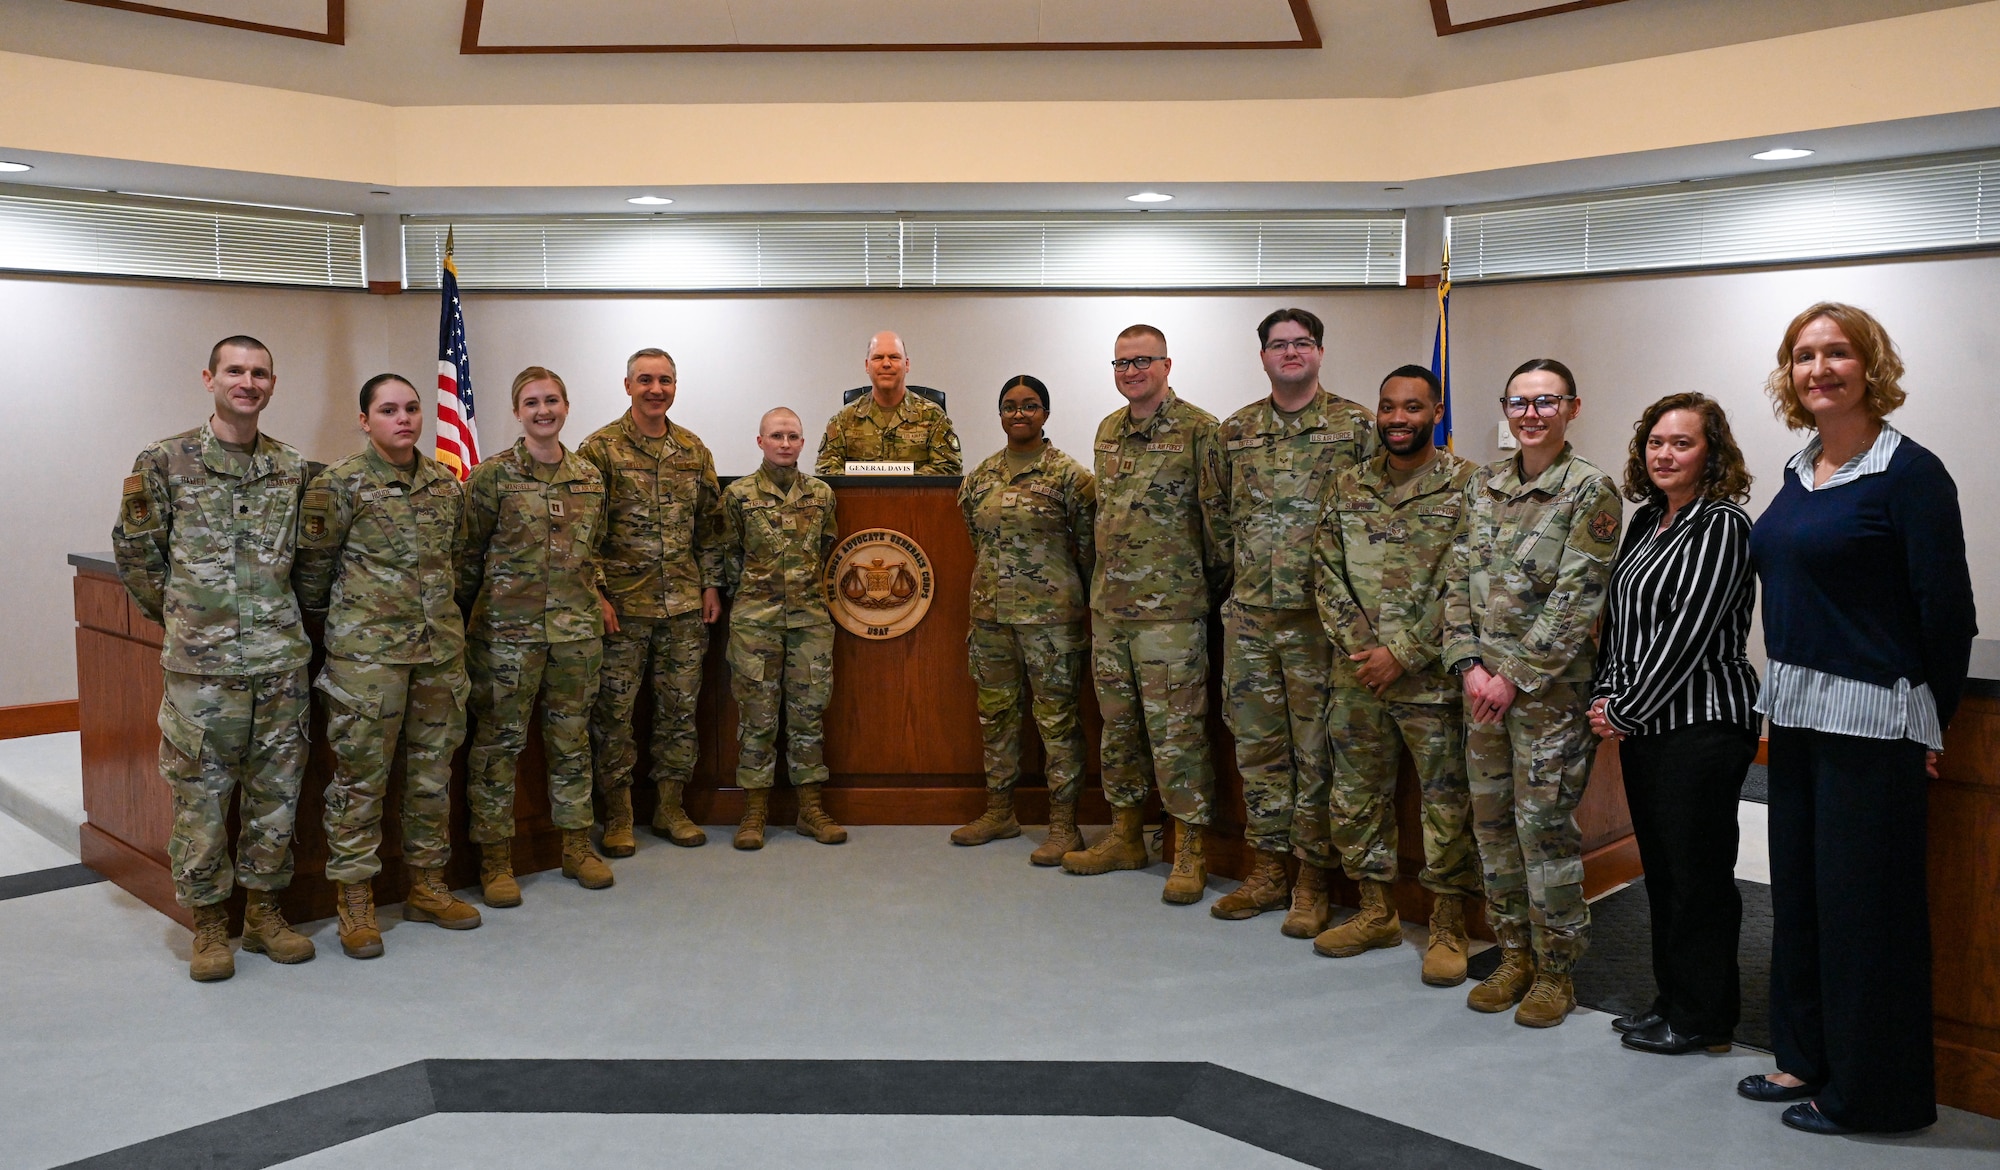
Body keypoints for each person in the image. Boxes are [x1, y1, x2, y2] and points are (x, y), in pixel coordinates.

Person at [1742, 303, 1976, 1136]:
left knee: (1865, 917)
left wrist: (1930, 724)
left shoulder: (1911, 474)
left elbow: (1947, 614)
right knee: (1800, 898)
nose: (1820, 369)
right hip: (1798, 713)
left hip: (1876, 724)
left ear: (1870, 366)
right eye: (1804, 356)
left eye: (1838, 353)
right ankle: (1806, 1057)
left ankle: (1875, 1095)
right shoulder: (1799, 469)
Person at [114, 336, 318, 981]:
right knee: (200, 801)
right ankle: (209, 925)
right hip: (202, 673)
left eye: (260, 372)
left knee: (277, 796)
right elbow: (138, 558)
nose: (248, 382)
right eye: (235, 371)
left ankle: (264, 915)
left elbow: (309, 566)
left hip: (280, 665)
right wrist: (188, 621)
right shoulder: (164, 462)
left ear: (272, 384)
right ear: (209, 378)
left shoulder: (292, 468)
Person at [1443, 358, 1622, 1027]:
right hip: (1480, 693)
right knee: (1491, 829)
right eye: (1519, 403)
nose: (1531, 414)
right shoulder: (1482, 486)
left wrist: (1510, 678)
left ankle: (1556, 971)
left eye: (1546, 402)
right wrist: (1468, 667)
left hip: (1546, 698)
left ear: (1572, 409)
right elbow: (1455, 581)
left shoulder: (1589, 491)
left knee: (1542, 829)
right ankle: (1513, 952)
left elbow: (1576, 602)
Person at [1587, 393, 1759, 1053]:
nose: (1665, 453)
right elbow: (1622, 624)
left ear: (1710, 453)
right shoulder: (1646, 521)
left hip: (1701, 726)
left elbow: (1688, 634)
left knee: (1699, 877)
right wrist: (1608, 691)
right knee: (1662, 872)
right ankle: (1672, 999)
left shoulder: (1722, 526)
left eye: (1681, 443)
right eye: (1656, 441)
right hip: (1644, 728)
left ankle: (1703, 1018)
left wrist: (1624, 708)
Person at [296, 374, 484, 959]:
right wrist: (351, 630)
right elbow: (312, 574)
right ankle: (356, 899)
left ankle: (427, 885)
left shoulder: (445, 486)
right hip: (367, 662)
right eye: (387, 410)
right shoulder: (339, 485)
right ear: (365, 420)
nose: (402, 419)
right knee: (359, 783)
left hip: (438, 656)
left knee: (432, 777)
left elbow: (459, 564)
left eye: (410, 408)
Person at [1312, 365, 1481, 984]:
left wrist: (1404, 653)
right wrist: (1366, 652)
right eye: (1387, 407)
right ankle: (1376, 912)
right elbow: (1324, 570)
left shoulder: (1470, 486)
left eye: (1412, 407)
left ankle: (1447, 923)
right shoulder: (1347, 485)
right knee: (1356, 798)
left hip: (1431, 681)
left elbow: (1465, 582)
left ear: (1436, 413)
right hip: (1358, 677)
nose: (1397, 419)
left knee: (1445, 804)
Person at [1212, 308, 1376, 928]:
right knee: (1258, 748)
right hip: (1251, 616)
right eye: (1278, 345)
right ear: (1262, 357)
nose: (1290, 353)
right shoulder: (1234, 433)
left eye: (1301, 343)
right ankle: (1267, 871)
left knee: (1316, 753)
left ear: (1320, 352)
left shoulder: (1355, 426)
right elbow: (1216, 520)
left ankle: (1311, 880)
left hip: (1321, 621)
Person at [1062, 324, 1231, 905]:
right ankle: (1127, 835)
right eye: (1121, 363)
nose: (1131, 372)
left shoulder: (1200, 429)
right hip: (1111, 610)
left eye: (1142, 361)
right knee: (1120, 729)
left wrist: (1198, 593)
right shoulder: (1109, 429)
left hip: (1172, 613)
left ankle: (1189, 850)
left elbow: (1218, 527)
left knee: (1177, 733)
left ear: (1166, 365)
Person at [456, 366, 615, 905]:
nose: (543, 410)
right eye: (531, 402)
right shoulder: (492, 477)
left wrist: (596, 594)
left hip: (575, 635)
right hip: (505, 639)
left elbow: (597, 550)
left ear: (566, 407)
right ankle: (496, 861)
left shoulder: (590, 477)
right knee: (498, 747)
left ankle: (575, 845)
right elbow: (466, 555)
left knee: (573, 744)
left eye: (551, 400)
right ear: (517, 411)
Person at [580, 348, 726, 857]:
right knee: (613, 715)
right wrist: (597, 593)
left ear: (675, 387)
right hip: (622, 607)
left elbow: (711, 526)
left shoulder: (692, 449)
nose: (655, 389)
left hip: (684, 606)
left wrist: (710, 584)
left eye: (664, 380)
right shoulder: (599, 449)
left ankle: (669, 808)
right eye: (645, 380)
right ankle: (618, 815)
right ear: (627, 386)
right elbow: (585, 531)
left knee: (678, 711)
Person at [952, 375, 1097, 862]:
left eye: (1030, 405)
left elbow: (1087, 546)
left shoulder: (1071, 477)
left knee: (1056, 721)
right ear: (999, 414)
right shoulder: (980, 477)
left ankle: (1064, 825)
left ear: (1045, 414)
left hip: (1052, 621)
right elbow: (978, 538)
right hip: (992, 618)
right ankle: (1000, 811)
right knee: (996, 718)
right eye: (1010, 406)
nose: (1020, 413)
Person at [723, 407, 847, 849]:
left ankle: (810, 809)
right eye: (776, 435)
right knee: (756, 717)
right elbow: (729, 557)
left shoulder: (821, 495)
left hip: (810, 620)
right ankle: (754, 812)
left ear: (803, 442)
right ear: (760, 441)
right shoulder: (737, 496)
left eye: (793, 436)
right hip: (756, 622)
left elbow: (826, 547)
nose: (785, 443)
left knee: (808, 716)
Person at [815, 331, 963, 475]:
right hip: (860, 500)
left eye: (894, 357)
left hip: (917, 500)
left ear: (907, 364)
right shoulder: (844, 419)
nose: (886, 363)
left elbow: (950, 469)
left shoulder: (933, 417)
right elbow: (826, 469)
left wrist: (902, 483)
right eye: (878, 357)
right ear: (867, 365)